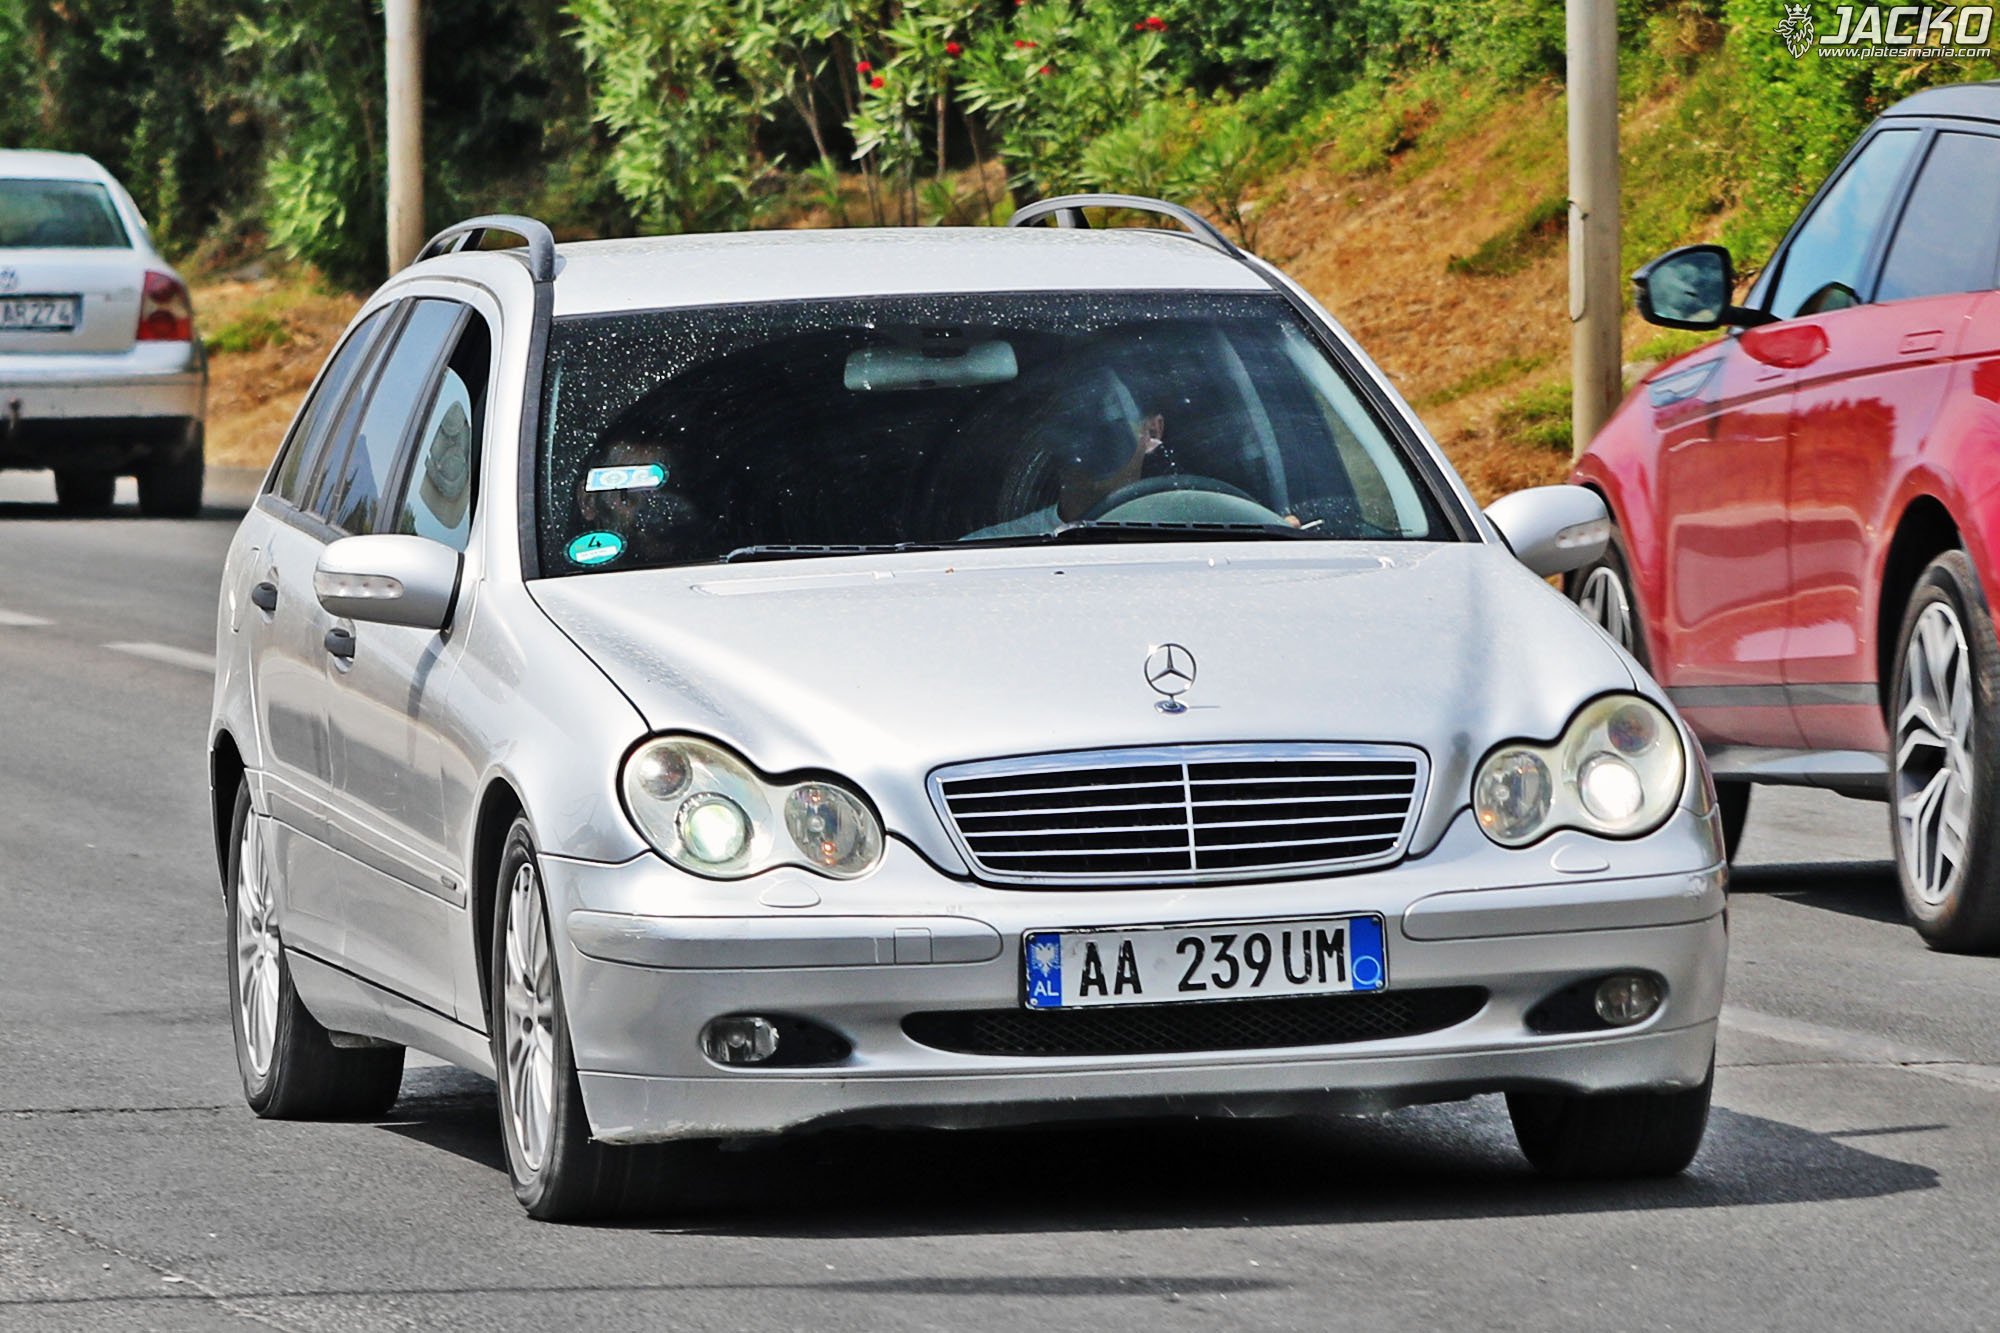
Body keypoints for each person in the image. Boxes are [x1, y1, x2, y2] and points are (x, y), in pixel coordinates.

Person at [966, 367, 1162, 540]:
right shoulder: (980, 555)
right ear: (1047, 438)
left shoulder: (1187, 537)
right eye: (1074, 426)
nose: (1089, 444)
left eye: (1109, 428)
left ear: (1152, 432)